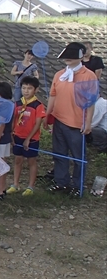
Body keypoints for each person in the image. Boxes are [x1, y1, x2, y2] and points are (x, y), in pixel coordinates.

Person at [44, 43, 97, 196]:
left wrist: (88, 123)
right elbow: (53, 96)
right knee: (59, 153)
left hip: (76, 123)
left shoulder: (89, 76)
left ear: (80, 56)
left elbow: (91, 102)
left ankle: (78, 185)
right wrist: (48, 115)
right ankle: (61, 182)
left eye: (71, 56)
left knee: (78, 156)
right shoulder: (59, 74)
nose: (67, 59)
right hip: (59, 120)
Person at [7, 76, 46, 197]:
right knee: (18, 160)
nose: (26, 91)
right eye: (24, 88)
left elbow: (38, 123)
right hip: (17, 136)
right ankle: (15, 184)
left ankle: (30, 186)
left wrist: (29, 138)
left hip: (32, 139)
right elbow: (13, 119)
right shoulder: (17, 104)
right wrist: (11, 134)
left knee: (31, 161)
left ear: (36, 90)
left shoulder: (38, 105)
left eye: (29, 88)